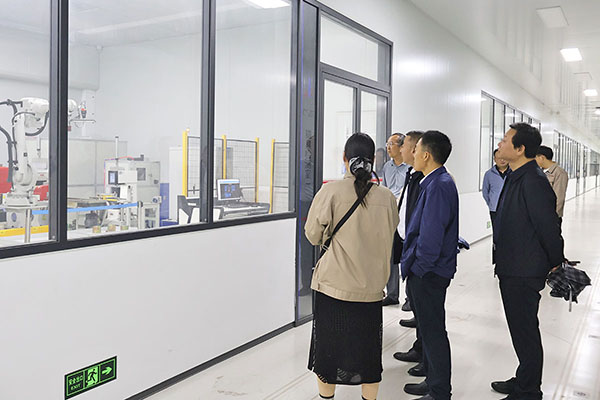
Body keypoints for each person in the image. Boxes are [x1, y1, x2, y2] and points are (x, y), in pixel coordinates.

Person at [305, 132, 399, 400]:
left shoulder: (330, 192)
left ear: (345, 159)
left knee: (328, 353)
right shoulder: (387, 197)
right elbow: (391, 230)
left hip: (334, 287)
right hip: (371, 290)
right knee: (368, 355)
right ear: (373, 161)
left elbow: (312, 235)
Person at [492, 123, 564, 400]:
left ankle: (529, 390)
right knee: (520, 330)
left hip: (523, 269)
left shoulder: (533, 180)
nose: (501, 143)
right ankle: (524, 378)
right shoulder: (516, 175)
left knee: (525, 332)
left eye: (506, 139)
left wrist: (556, 261)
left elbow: (548, 226)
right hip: (512, 265)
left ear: (520, 148)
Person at [401, 131, 458, 400]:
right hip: (428, 270)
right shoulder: (434, 182)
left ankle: (439, 391)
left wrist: (419, 268)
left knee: (433, 332)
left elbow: (431, 236)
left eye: (416, 150)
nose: (412, 154)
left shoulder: (438, 186)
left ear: (426, 155)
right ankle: (433, 380)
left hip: (429, 273)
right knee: (429, 329)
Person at [392, 131, 427, 375]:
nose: (401, 149)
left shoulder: (430, 181)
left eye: (404, 145)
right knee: (417, 303)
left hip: (419, 253)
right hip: (407, 245)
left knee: (428, 313)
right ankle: (419, 347)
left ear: (415, 150)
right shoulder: (412, 174)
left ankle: (427, 361)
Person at [381, 133, 409, 306]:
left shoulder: (410, 167)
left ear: (401, 146)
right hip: (390, 213)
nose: (388, 147)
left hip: (406, 213)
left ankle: (410, 297)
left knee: (407, 255)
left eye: (391, 144)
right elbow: (384, 189)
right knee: (390, 255)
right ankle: (392, 295)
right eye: (387, 144)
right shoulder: (387, 167)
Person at [535, 145, 568, 228]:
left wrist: (551, 217)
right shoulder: (539, 172)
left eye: (535, 158)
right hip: (539, 216)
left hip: (551, 217)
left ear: (542, 158)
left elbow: (559, 198)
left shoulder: (559, 173)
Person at [482, 149, 511, 230]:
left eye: (504, 158)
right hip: (495, 209)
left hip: (511, 209)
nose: (502, 160)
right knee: (497, 231)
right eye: (499, 158)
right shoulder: (489, 174)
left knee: (510, 231)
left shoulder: (513, 172)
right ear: (494, 159)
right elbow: (485, 192)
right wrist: (491, 204)